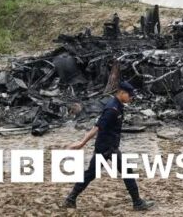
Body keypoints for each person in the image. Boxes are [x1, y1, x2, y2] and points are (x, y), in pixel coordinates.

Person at [61, 81, 155, 211]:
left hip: (106, 146)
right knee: (127, 172)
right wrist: (82, 143)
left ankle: (70, 199)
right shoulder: (112, 109)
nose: (131, 98)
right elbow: (97, 127)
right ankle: (137, 203)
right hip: (107, 148)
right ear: (122, 93)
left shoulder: (118, 105)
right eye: (129, 95)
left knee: (90, 174)